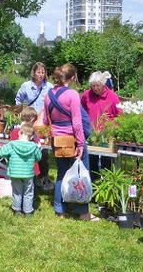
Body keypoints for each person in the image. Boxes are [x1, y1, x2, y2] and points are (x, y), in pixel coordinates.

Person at [43, 64, 98, 221]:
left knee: (61, 174)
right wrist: (80, 144)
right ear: (72, 78)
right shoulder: (73, 94)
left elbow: (47, 120)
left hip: (57, 140)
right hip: (72, 140)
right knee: (81, 174)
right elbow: (77, 122)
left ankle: (60, 210)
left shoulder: (48, 94)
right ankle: (82, 212)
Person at [15, 62, 54, 190]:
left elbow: (54, 102)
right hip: (29, 122)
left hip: (43, 123)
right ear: (34, 72)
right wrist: (20, 111)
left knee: (44, 151)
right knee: (28, 147)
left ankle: (43, 178)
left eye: (43, 72)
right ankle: (28, 176)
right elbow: (18, 99)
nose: (41, 75)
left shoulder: (49, 87)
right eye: (38, 72)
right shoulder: (26, 86)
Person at [0, 108, 43, 216]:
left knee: (17, 191)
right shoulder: (33, 145)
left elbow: (2, 153)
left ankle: (17, 209)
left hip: (15, 171)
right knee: (28, 192)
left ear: (19, 134)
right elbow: (38, 157)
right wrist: (38, 149)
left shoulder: (13, 142)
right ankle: (28, 211)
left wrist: (5, 150)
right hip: (28, 172)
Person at [80, 71, 122, 179]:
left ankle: (106, 184)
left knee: (106, 163)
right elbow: (81, 111)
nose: (95, 88)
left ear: (103, 84)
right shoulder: (86, 95)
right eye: (93, 86)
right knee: (91, 161)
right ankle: (93, 184)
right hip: (91, 134)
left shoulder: (112, 97)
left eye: (97, 85)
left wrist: (114, 128)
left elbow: (120, 115)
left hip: (107, 135)